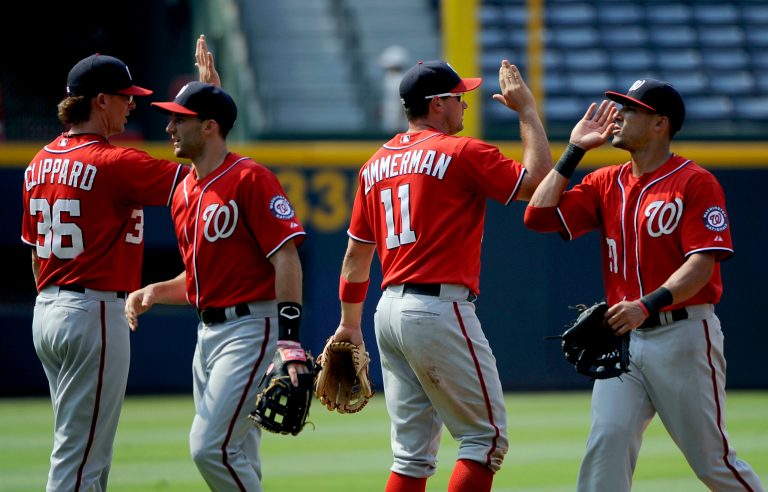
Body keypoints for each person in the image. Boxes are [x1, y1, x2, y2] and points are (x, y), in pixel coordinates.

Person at [524, 79, 765, 492]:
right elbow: (538, 217)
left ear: (660, 124)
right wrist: (575, 150)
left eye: (631, 110)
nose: (618, 115)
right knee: (606, 447)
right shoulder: (605, 182)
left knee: (713, 462)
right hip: (624, 340)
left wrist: (646, 305)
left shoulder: (694, 182)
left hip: (683, 334)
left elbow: (701, 265)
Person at [325, 59, 551, 492]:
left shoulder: (373, 166)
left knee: (410, 456)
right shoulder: (461, 151)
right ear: (436, 104)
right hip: (436, 308)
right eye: (458, 97)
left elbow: (356, 257)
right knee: (485, 440)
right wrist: (527, 112)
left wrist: (349, 325)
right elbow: (538, 184)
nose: (465, 106)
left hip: (386, 313)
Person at [20, 35, 216, 492]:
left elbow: (33, 252)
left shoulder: (36, 163)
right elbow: (205, 173)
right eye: (125, 98)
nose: (132, 106)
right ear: (99, 100)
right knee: (79, 461)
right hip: (92, 312)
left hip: (47, 309)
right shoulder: (114, 162)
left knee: (83, 451)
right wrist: (211, 108)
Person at [124, 80, 309, 491]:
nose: (170, 128)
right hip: (206, 332)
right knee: (238, 453)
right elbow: (198, 279)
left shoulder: (250, 178)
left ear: (209, 127)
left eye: (180, 119)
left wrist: (290, 339)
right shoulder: (183, 191)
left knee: (209, 447)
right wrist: (155, 290)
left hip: (251, 329)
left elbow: (286, 258)